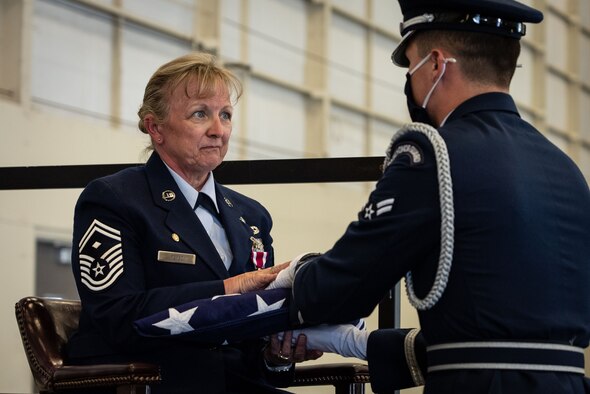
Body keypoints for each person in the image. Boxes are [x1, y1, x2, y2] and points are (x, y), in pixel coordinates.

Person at [272, 0, 590, 393]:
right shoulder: (566, 170)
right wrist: (354, 342)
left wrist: (293, 276)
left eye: (410, 65)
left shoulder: (432, 156)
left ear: (436, 65)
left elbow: (344, 288)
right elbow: (494, 331)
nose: (410, 79)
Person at [67, 52, 321, 394]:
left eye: (226, 115)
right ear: (156, 127)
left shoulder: (252, 217)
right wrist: (229, 288)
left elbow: (253, 345)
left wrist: (277, 356)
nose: (218, 131)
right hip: (150, 380)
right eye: (200, 114)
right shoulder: (114, 199)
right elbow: (117, 317)